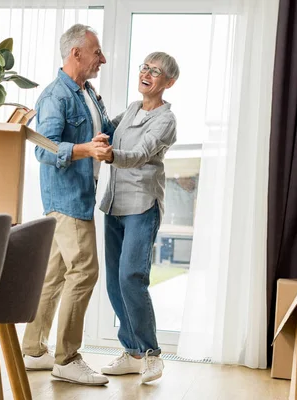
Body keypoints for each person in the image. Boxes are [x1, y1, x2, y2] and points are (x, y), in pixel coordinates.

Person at [21, 23, 113, 386]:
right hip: (67, 201)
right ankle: (68, 358)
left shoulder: (87, 92)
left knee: (55, 275)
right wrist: (85, 150)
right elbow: (44, 149)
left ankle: (32, 349)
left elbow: (104, 129)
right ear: (76, 53)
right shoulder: (56, 96)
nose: (101, 59)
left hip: (80, 197)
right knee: (85, 271)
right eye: (96, 52)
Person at [92, 52, 180, 384]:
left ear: (168, 83)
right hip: (114, 205)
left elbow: (141, 154)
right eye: (144, 67)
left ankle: (152, 354)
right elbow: (109, 128)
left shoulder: (165, 120)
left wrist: (111, 154)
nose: (147, 73)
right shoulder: (132, 108)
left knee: (132, 277)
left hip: (142, 206)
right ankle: (132, 352)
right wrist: (95, 109)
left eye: (155, 72)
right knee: (115, 281)